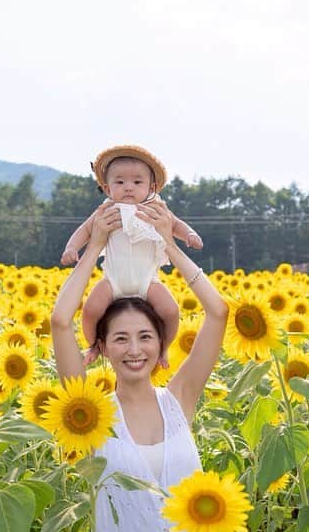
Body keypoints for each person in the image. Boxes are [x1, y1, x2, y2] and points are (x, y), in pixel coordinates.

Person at [51, 198, 229, 532]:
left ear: (160, 344)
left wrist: (169, 245)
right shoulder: (89, 415)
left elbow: (218, 312)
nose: (134, 350)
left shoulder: (179, 401)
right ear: (102, 347)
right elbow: (60, 321)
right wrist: (95, 245)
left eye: (145, 336)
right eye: (120, 339)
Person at [60, 145, 203, 367]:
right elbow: (84, 231)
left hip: (147, 281)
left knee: (171, 311)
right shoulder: (106, 210)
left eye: (137, 182)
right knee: (90, 310)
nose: (128, 188)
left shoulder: (155, 208)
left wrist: (190, 235)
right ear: (107, 188)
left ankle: (163, 348)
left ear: (151, 187)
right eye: (120, 182)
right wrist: (71, 248)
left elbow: (175, 224)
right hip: (113, 280)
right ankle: (94, 345)